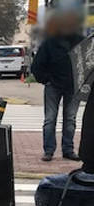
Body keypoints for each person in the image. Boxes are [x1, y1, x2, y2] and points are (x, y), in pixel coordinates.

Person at [31, 9, 84, 162]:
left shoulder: (81, 41)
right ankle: (49, 150)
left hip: (73, 86)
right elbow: (37, 65)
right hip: (53, 85)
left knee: (70, 119)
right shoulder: (50, 43)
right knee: (50, 119)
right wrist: (46, 80)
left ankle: (68, 150)